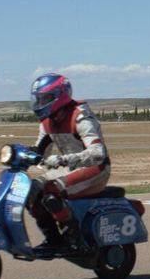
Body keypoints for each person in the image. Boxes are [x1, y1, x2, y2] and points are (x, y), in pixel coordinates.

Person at [27, 73, 110, 252]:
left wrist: (64, 159)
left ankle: (74, 235)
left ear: (60, 95)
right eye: (39, 98)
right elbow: (40, 151)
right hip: (68, 167)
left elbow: (98, 153)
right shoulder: (46, 122)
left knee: (51, 191)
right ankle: (53, 238)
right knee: (30, 191)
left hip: (96, 168)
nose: (41, 103)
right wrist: (19, 155)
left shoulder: (80, 116)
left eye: (46, 98)